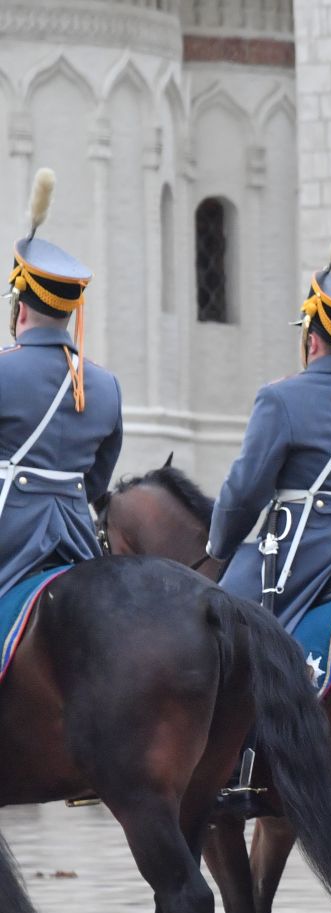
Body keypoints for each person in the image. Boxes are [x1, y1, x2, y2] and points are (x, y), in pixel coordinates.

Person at [207, 210, 331, 631]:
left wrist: (220, 543)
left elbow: (246, 490)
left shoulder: (281, 398)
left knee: (216, 624)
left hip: (300, 555)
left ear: (311, 339)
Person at [0, 167, 122, 597]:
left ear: (20, 305)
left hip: (8, 540)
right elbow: (97, 482)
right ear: (69, 311)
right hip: (76, 539)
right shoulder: (106, 385)